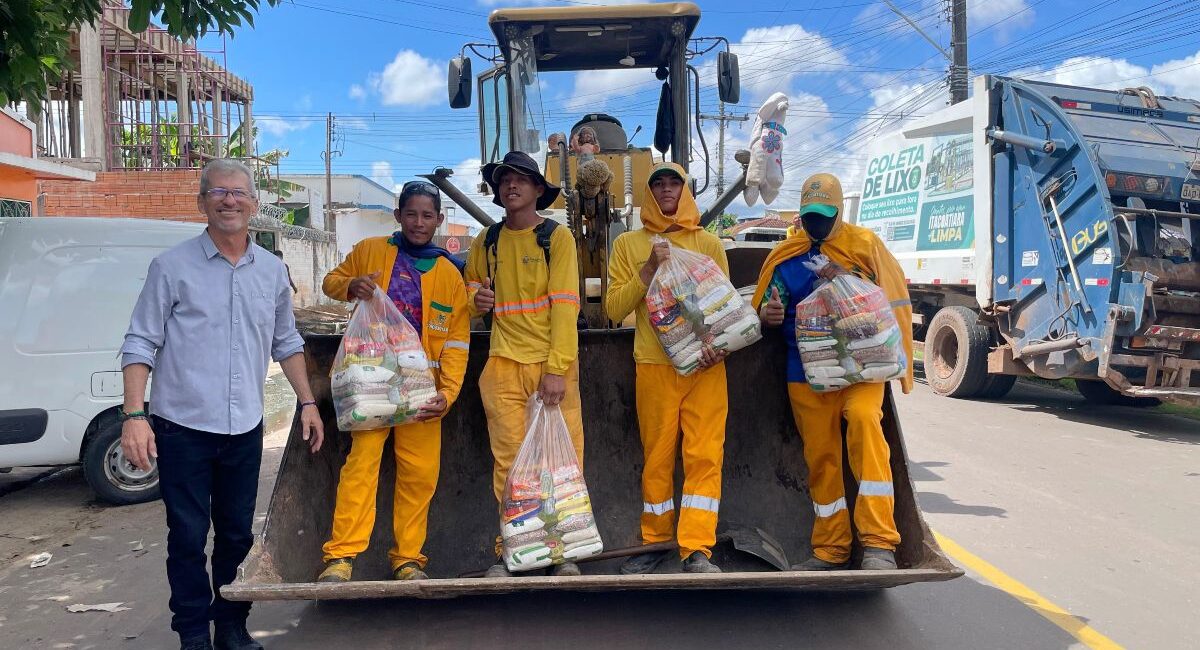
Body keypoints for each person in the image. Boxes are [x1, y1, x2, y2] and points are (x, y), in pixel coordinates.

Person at [119, 159, 324, 650]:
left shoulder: (271, 271)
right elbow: (140, 341)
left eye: (238, 192)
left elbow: (286, 342)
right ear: (202, 202)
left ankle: (232, 626)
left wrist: (308, 402)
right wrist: (134, 415)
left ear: (254, 203)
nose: (229, 200)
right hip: (181, 427)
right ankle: (193, 634)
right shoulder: (171, 267)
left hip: (244, 429)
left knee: (236, 536)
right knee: (187, 537)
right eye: (218, 192)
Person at [751, 172, 913, 571]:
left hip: (863, 366)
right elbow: (766, 304)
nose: (817, 224)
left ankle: (879, 544)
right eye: (810, 216)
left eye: (825, 216)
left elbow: (890, 299)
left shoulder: (864, 246)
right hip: (806, 370)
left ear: (839, 211)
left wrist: (846, 278)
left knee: (864, 422)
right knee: (821, 456)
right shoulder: (787, 255)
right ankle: (831, 548)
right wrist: (768, 314)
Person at [316, 181, 470, 583]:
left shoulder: (449, 274)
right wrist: (350, 285)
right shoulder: (371, 250)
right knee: (361, 465)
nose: (419, 222)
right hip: (371, 382)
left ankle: (408, 560)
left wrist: (448, 392)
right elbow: (331, 281)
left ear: (439, 220)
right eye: (411, 214)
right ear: (398, 215)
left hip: (422, 390)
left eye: (427, 216)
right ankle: (340, 557)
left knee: (420, 475)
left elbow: (456, 342)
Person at [464, 150, 584, 578]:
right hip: (502, 366)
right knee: (510, 467)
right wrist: (475, 298)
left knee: (562, 463)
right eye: (504, 180)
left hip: (551, 366)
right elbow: (468, 289)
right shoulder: (487, 241)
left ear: (537, 189)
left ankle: (563, 551)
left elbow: (566, 306)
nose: (510, 185)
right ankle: (512, 550)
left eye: (520, 179)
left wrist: (556, 369)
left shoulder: (556, 238)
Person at [605, 162, 729, 575]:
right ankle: (655, 542)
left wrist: (718, 348)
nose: (666, 189)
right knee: (656, 459)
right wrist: (648, 270)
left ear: (685, 190)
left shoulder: (708, 244)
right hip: (655, 365)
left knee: (705, 456)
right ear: (649, 193)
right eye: (658, 183)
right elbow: (614, 308)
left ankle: (697, 549)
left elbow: (724, 305)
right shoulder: (628, 245)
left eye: (674, 182)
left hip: (706, 368)